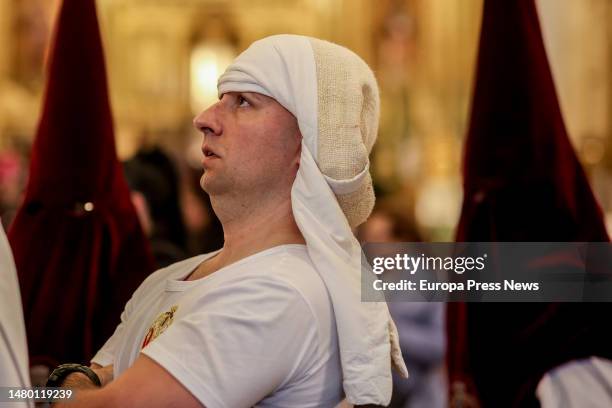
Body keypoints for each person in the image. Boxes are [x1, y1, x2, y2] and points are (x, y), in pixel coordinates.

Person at [50, 34, 407, 408]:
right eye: (221, 99)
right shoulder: (169, 278)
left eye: (243, 102)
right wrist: (64, 386)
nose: (203, 119)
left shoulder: (277, 294)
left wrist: (66, 384)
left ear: (307, 143)